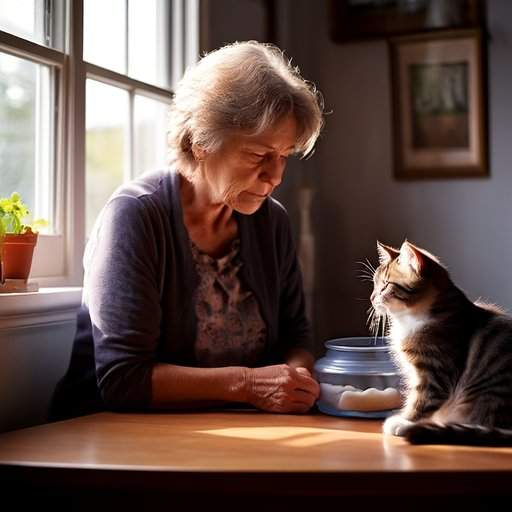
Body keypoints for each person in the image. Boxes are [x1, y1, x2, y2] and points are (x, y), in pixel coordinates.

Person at [50, 40, 324, 421]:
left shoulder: (271, 221)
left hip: (232, 433)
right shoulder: (135, 216)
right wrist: (248, 384)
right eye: (259, 155)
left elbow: (295, 335)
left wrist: (295, 376)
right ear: (201, 143)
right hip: (111, 439)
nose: (276, 176)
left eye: (284, 156)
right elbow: (122, 378)